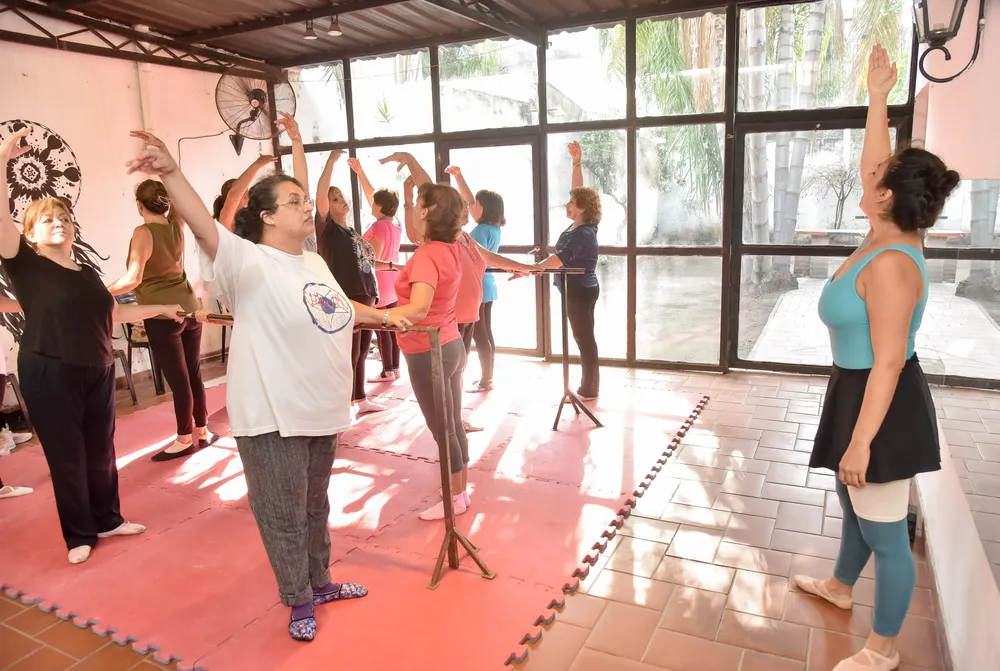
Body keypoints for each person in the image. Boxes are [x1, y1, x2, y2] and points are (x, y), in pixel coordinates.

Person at [127, 125, 409, 643]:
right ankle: (298, 597)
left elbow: (340, 308)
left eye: (306, 199)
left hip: (321, 408)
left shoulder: (315, 261)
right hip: (273, 415)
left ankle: (319, 581)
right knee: (282, 515)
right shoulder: (246, 259)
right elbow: (203, 223)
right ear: (267, 217)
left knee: (315, 506)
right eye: (296, 200)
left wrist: (389, 318)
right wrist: (170, 172)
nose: (308, 207)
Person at [793, 45, 959, 671]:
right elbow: (874, 164)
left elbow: (888, 363)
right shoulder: (884, 232)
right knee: (853, 506)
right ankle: (839, 588)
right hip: (854, 391)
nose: (869, 178)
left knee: (886, 535)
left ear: (888, 197)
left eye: (879, 179)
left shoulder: (891, 263)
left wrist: (862, 442)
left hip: (880, 403)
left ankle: (883, 650)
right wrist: (876, 96)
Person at [1, 128, 182, 565]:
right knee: (68, 455)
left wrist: (162, 308)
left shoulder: (84, 272)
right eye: (46, 219)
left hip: (98, 367)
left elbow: (112, 315)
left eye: (63, 216)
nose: (58, 222)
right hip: (50, 370)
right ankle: (79, 533)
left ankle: (107, 518)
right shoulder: (26, 265)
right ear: (29, 234)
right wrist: (4, 159)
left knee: (102, 450)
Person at [106, 180, 216, 461]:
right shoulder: (175, 225)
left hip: (163, 313)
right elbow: (179, 204)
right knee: (193, 374)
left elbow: (133, 279)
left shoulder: (143, 231)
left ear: (139, 206)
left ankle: (183, 438)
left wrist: (99, 292)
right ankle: (203, 432)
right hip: (189, 308)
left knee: (180, 382)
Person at [314, 151, 384, 416]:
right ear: (326, 207)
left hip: (366, 295)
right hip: (347, 298)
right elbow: (321, 196)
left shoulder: (352, 230)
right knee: (348, 355)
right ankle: (341, 406)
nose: (342, 201)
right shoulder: (327, 229)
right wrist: (330, 163)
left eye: (342, 197)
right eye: (335, 199)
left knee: (362, 352)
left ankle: (359, 398)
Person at [533, 141, 601, 400]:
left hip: (580, 290)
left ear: (582, 208)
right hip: (580, 288)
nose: (567, 204)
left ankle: (589, 388)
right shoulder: (581, 225)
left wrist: (534, 268)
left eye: (571, 202)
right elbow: (578, 190)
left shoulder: (583, 232)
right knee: (585, 337)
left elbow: (561, 258)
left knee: (584, 339)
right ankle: (590, 386)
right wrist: (576, 163)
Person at [445, 166, 505, 394]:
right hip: (488, 287)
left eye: (475, 205)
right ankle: (487, 377)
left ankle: (484, 380)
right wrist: (459, 177)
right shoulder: (493, 228)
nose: (470, 207)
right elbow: (471, 200)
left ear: (485, 209)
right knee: (487, 333)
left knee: (480, 336)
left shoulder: (479, 232)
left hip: (476, 288)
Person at [347, 157, 403, 384]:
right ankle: (395, 368)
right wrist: (360, 172)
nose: (370, 204)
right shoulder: (395, 222)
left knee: (382, 329)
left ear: (379, 206)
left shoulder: (380, 226)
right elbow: (373, 194)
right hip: (393, 282)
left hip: (379, 282)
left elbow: (373, 259)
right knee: (391, 327)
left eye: (373, 203)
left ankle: (387, 370)